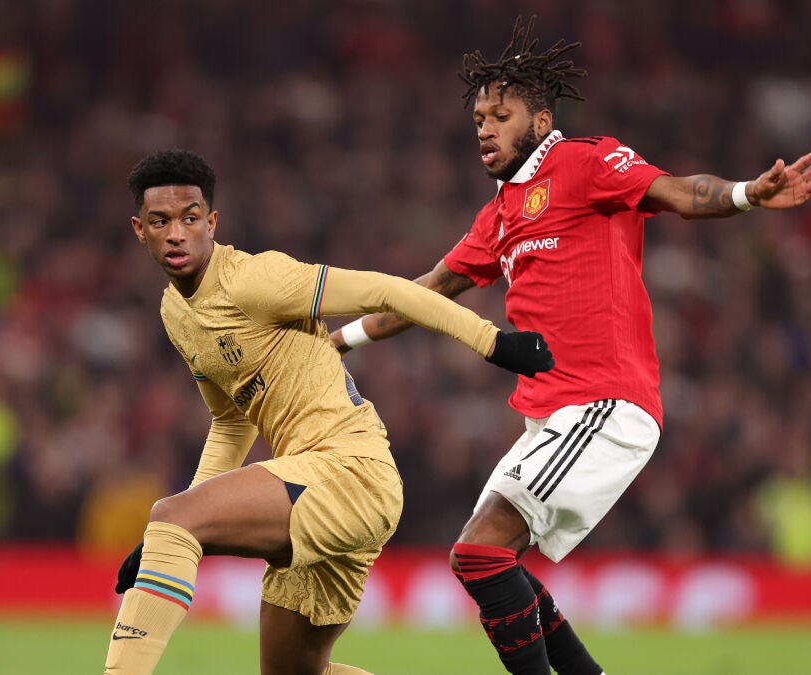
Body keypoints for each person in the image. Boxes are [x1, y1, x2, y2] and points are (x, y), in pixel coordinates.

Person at [331, 16, 811, 675]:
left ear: (541, 120)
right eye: (479, 117)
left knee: (480, 553)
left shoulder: (586, 161)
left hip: (605, 403)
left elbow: (681, 193)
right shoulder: (499, 215)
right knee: (486, 560)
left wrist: (747, 194)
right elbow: (424, 293)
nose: (484, 128)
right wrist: (336, 341)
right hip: (552, 415)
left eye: (501, 115)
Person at [104, 148, 554, 675]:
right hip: (317, 488)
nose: (177, 234)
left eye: (190, 218)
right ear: (140, 229)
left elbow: (385, 291)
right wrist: (181, 526)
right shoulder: (175, 313)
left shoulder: (255, 279)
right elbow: (231, 420)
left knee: (172, 516)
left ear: (212, 222)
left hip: (349, 472)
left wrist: (494, 343)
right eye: (161, 222)